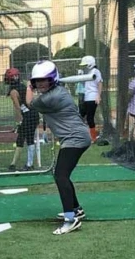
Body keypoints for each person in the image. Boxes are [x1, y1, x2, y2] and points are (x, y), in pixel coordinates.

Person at [26, 60, 92, 235]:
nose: (39, 83)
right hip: (75, 138)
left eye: (44, 80)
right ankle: (76, 209)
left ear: (52, 80)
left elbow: (29, 103)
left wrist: (28, 87)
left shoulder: (52, 97)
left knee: (60, 176)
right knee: (64, 175)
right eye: (36, 81)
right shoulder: (58, 91)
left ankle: (70, 220)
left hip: (75, 139)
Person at [4, 67, 39, 171]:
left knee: (21, 139)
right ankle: (27, 164)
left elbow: (18, 107)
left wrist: (19, 121)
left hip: (27, 116)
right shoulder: (22, 86)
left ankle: (16, 164)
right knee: (29, 139)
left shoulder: (13, 91)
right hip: (33, 114)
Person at [78, 55, 103, 143]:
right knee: (80, 115)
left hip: (92, 97)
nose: (84, 66)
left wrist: (98, 96)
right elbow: (83, 84)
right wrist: (80, 76)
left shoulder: (96, 71)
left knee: (90, 118)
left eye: (85, 65)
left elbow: (100, 83)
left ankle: (93, 138)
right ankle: (82, 135)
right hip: (86, 97)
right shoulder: (87, 72)